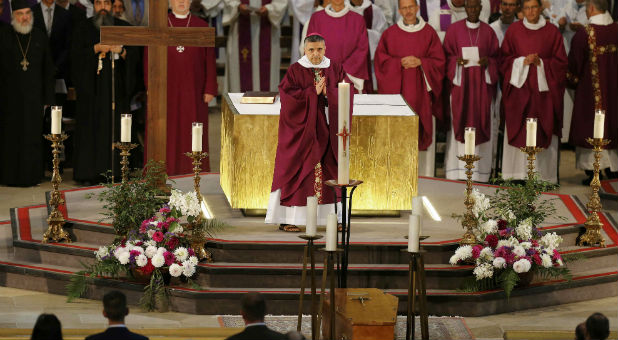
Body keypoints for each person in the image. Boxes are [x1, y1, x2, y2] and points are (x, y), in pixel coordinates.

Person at [265, 34, 349, 232]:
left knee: (331, 170)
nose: (315, 54)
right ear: (305, 50)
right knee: (298, 171)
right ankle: (289, 217)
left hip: (328, 128)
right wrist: (312, 93)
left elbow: (347, 91)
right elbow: (287, 97)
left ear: (325, 49)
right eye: (311, 50)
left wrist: (329, 93)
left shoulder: (335, 68)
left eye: (319, 49)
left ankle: (334, 218)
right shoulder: (295, 69)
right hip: (303, 132)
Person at [143, 0, 217, 175]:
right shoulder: (159, 25)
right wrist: (150, 86)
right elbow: (148, 58)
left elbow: (210, 60)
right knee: (165, 132)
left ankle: (193, 175)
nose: (181, 1)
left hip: (194, 91)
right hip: (164, 91)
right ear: (169, 2)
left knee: (191, 132)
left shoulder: (202, 26)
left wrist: (210, 87)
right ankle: (161, 175)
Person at [374, 0, 445, 177]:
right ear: (399, 10)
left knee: (421, 133)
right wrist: (398, 63)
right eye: (404, 8)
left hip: (422, 96)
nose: (408, 11)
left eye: (411, 7)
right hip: (399, 96)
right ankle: (398, 176)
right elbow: (380, 62)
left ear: (417, 8)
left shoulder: (429, 33)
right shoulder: (390, 34)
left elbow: (439, 62)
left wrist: (422, 62)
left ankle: (425, 176)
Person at [71, 0, 138, 184]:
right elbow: (74, 59)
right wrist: (95, 48)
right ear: (93, 5)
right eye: (98, 2)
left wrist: (122, 51)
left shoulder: (125, 28)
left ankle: (118, 171)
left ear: (112, 5)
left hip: (117, 93)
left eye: (106, 3)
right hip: (91, 94)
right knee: (90, 130)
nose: (103, 7)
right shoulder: (82, 28)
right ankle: (88, 174)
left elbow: (136, 59)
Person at [500, 0, 567, 184]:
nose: (530, 11)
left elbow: (561, 63)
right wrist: (521, 62)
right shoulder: (514, 30)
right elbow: (504, 60)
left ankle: (543, 176)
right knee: (519, 127)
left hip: (543, 94)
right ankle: (517, 174)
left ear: (540, 8)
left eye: (534, 7)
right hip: (519, 93)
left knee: (542, 130)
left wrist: (541, 64)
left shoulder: (552, 31)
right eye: (527, 8)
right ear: (522, 10)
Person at [0, 0, 55, 187]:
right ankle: (9, 176)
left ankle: (32, 176)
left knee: (32, 137)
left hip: (34, 99)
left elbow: (48, 70)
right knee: (10, 137)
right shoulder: (4, 36)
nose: (24, 17)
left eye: (27, 13)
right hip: (9, 100)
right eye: (20, 14)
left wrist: (48, 99)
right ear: (13, 16)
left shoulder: (39, 36)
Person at [443, 0, 499, 182]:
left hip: (482, 89)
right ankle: (457, 171)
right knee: (459, 121)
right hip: (462, 89)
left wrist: (488, 62)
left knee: (481, 121)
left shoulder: (489, 32)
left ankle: (480, 173)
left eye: (476, 7)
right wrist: (456, 63)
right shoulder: (454, 30)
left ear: (481, 8)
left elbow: (497, 58)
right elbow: (446, 56)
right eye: (469, 7)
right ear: (465, 8)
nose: (472, 10)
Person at [567, 0, 617, 184]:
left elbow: (574, 67)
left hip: (591, 94)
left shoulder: (584, 34)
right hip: (614, 95)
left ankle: (592, 170)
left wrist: (571, 81)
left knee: (593, 124)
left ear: (591, 8)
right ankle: (613, 168)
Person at [305, 0, 369, 93]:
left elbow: (361, 50)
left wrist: (339, 73)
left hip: (349, 81)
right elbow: (310, 49)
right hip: (322, 83)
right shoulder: (316, 19)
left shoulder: (358, 20)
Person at [222, 0, 287, 92]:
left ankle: (267, 105)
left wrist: (269, 9)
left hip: (267, 27)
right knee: (239, 77)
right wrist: (237, 6)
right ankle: (239, 105)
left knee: (267, 74)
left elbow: (281, 2)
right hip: (240, 26)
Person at [349, 0, 388, 93]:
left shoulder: (375, 10)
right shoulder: (343, 9)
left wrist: (365, 34)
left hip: (370, 65)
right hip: (347, 63)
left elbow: (383, 36)